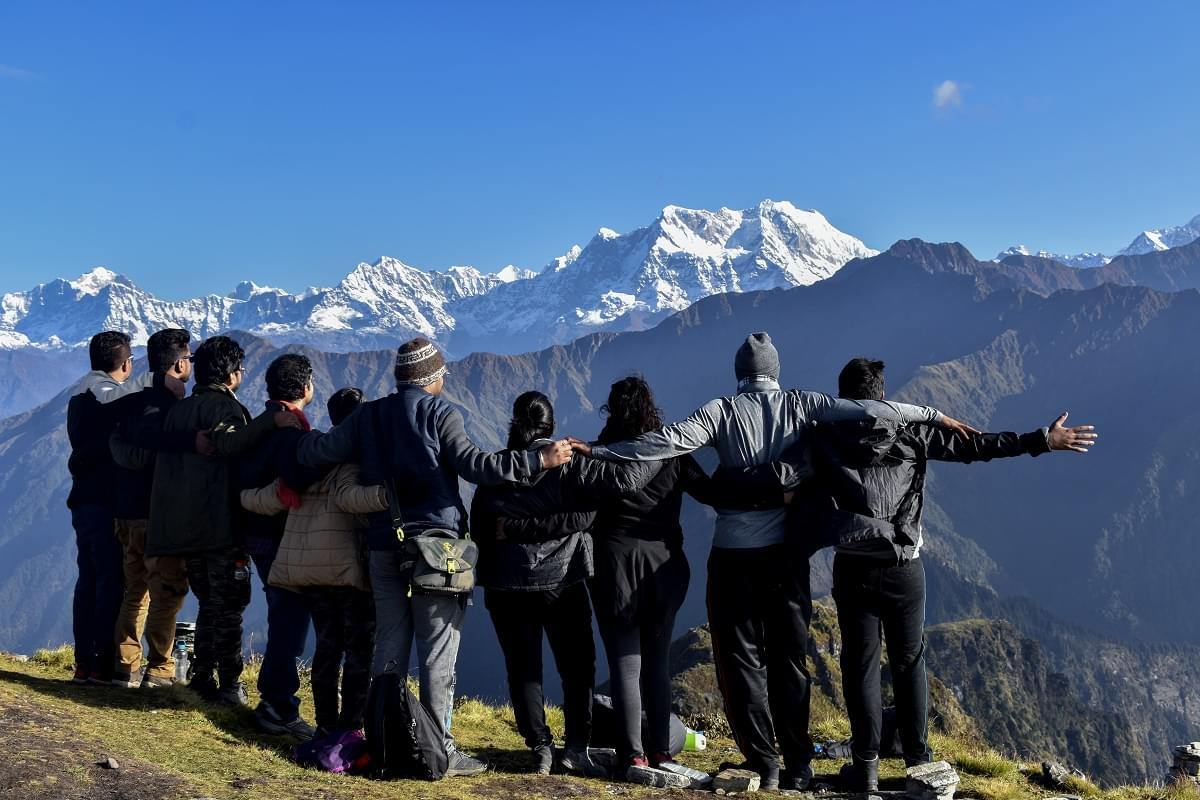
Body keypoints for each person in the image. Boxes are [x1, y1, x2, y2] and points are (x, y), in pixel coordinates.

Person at [573, 332, 971, 791]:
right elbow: (871, 409)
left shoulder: (718, 412)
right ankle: (799, 763)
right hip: (787, 556)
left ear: (739, 373)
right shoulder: (802, 405)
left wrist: (598, 450)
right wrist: (934, 415)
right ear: (776, 370)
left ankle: (765, 763)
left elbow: (662, 444)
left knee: (740, 664)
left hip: (733, 556)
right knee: (790, 660)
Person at [725, 357, 1098, 791]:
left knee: (860, 667)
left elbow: (781, 475)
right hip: (905, 568)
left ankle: (865, 768)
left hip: (853, 565)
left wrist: (721, 480)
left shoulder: (823, 437)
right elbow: (976, 447)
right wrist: (1042, 440)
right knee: (909, 663)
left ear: (843, 399)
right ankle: (919, 764)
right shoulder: (912, 432)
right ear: (883, 397)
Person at [294, 337, 574, 777]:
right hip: (438, 550)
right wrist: (538, 460)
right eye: (441, 374)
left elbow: (315, 452)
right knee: (437, 653)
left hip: (384, 544)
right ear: (431, 379)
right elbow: (478, 467)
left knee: (389, 645)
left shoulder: (367, 417)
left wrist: (291, 433)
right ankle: (438, 750)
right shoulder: (442, 413)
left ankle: (385, 741)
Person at [476, 380, 757, 784]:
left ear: (609, 412)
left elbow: (586, 508)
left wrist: (516, 525)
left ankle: (631, 756)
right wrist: (766, 489)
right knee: (655, 663)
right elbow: (711, 492)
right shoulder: (672, 453)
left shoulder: (594, 460)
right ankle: (659, 749)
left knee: (622, 664)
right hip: (664, 567)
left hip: (612, 569)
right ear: (651, 410)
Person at [470, 390, 657, 778]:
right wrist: (663, 444)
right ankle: (575, 747)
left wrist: (519, 528)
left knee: (523, 669)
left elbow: (481, 530)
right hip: (563, 581)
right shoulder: (573, 466)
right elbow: (623, 484)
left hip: (506, 585)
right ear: (551, 427)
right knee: (577, 667)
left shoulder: (497, 469)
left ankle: (539, 748)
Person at [145, 335, 302, 706]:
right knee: (229, 604)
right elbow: (230, 444)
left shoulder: (180, 410)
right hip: (219, 524)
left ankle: (202, 677)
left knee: (208, 603)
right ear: (231, 373)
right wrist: (270, 421)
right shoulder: (224, 409)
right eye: (241, 369)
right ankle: (230, 683)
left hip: (184, 527)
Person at [241, 386, 385, 738]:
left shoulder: (306, 459)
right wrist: (390, 495)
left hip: (309, 575)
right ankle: (351, 729)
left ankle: (324, 727)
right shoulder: (356, 461)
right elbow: (350, 498)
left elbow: (265, 499)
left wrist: (240, 494)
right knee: (358, 651)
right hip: (347, 573)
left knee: (326, 649)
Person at [66, 330, 184, 685]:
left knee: (90, 580)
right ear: (125, 363)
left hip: (83, 500)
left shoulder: (80, 395)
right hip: (105, 502)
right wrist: (156, 379)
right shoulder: (101, 392)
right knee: (110, 581)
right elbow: (115, 403)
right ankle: (102, 662)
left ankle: (86, 661)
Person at [239, 354, 324, 739]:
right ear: (306, 388)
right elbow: (297, 478)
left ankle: (275, 700)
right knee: (289, 620)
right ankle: (278, 705)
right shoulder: (290, 433)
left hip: (253, 536)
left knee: (283, 616)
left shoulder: (258, 428)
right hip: (280, 539)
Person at [108, 328, 198, 688]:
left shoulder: (130, 404)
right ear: (179, 364)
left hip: (125, 512)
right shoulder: (174, 414)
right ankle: (160, 668)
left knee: (135, 590)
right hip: (159, 514)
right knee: (168, 591)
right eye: (189, 359)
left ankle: (125, 664)